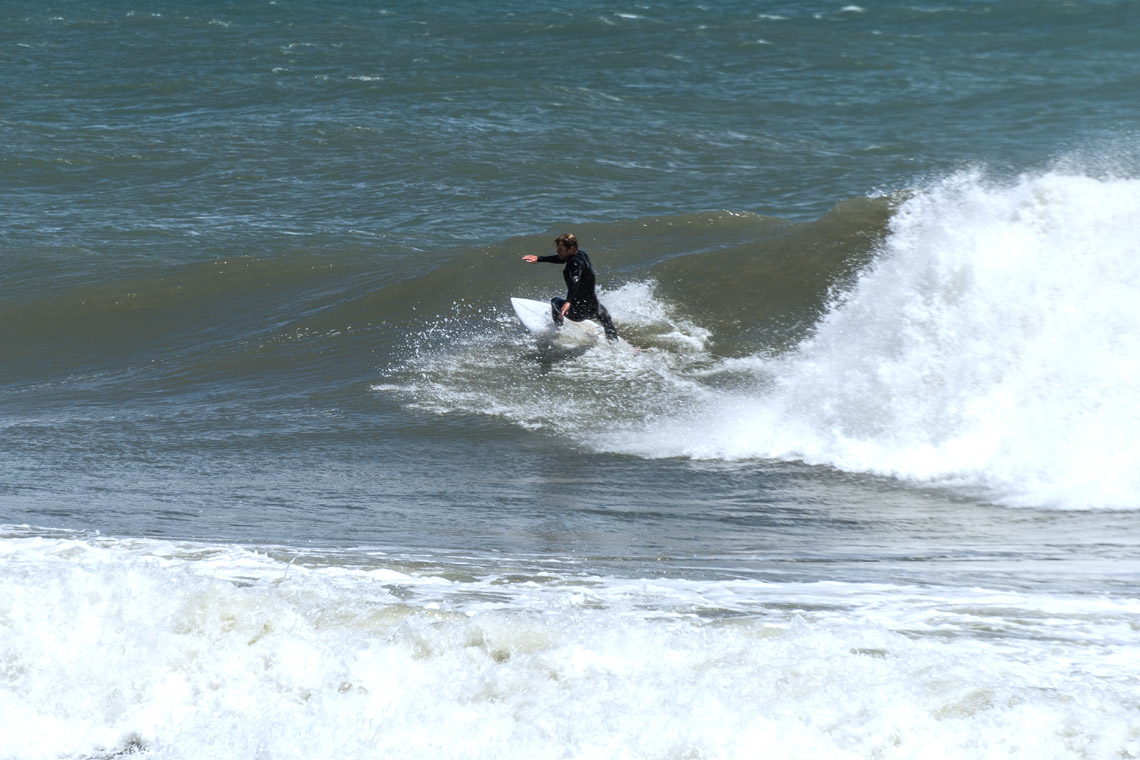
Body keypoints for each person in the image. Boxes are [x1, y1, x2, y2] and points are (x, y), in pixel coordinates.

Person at [521, 233, 619, 341]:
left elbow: (575, 281)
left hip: (577, 312)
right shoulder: (582, 254)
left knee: (554, 302)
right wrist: (539, 259)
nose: (558, 251)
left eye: (561, 249)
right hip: (593, 308)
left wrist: (568, 302)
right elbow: (562, 259)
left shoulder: (574, 264)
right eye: (557, 249)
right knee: (604, 313)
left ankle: (558, 330)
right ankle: (614, 341)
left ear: (571, 249)